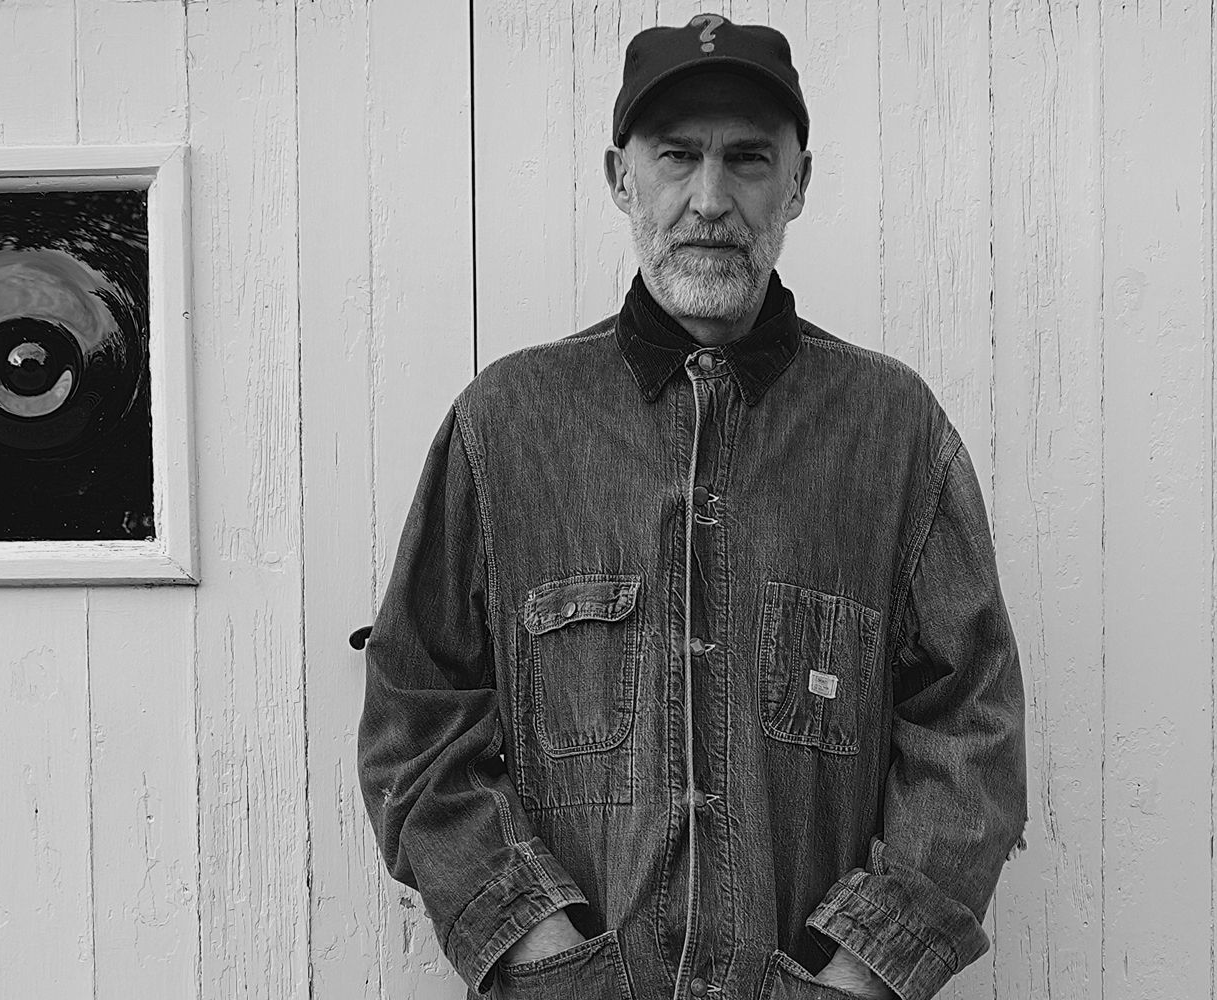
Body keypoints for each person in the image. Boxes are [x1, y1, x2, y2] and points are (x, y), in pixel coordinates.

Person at [356, 14, 1027, 1000]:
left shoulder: (893, 432)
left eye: (748, 159)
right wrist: (542, 954)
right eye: (677, 156)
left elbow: (971, 724)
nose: (710, 199)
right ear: (620, 177)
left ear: (798, 182)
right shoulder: (506, 426)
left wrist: (861, 972)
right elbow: (416, 708)